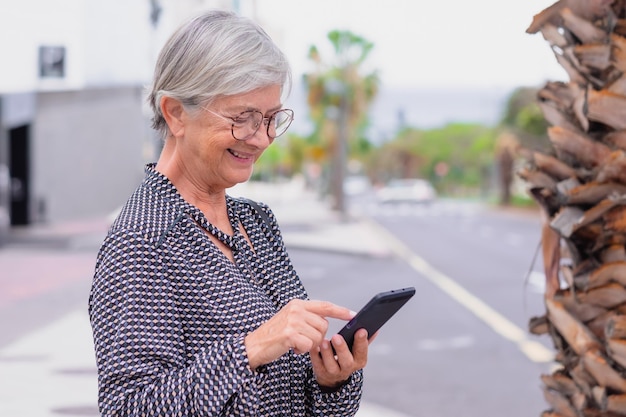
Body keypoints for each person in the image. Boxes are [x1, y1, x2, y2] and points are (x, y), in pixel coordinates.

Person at [88, 9, 371, 417]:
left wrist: (330, 379)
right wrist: (252, 348)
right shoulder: (143, 240)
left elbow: (292, 392)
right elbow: (129, 407)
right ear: (175, 113)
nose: (262, 139)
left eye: (272, 119)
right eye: (243, 119)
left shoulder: (256, 222)